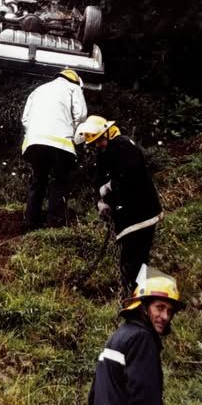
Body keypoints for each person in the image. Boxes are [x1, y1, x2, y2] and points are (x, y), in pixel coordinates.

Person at [86, 266, 183, 405]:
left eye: (170, 311)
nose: (165, 316)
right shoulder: (142, 339)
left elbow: (92, 401)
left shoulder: (119, 336)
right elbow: (144, 402)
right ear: (144, 307)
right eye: (160, 308)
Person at [78, 115, 163, 296]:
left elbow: (129, 176)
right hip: (129, 215)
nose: (97, 145)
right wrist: (101, 202)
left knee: (134, 261)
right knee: (133, 260)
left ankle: (139, 298)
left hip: (139, 213)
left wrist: (108, 188)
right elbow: (99, 181)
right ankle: (139, 296)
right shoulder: (107, 153)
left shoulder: (122, 146)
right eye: (94, 143)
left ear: (108, 133)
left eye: (99, 140)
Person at [21, 69, 88, 229]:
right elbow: (81, 115)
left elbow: (25, 119)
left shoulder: (38, 90)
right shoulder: (74, 88)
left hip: (34, 142)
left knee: (38, 181)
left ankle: (31, 223)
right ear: (76, 81)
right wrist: (76, 138)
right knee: (60, 181)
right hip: (60, 142)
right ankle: (55, 225)